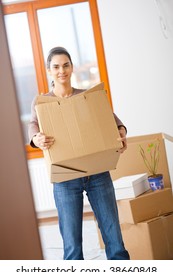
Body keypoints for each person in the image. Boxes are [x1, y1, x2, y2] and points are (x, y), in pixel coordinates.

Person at [28, 46, 130, 260]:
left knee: (115, 239)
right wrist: (36, 138)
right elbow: (33, 126)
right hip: (65, 178)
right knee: (72, 246)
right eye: (56, 67)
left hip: (98, 173)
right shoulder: (41, 103)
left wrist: (121, 132)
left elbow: (112, 120)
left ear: (72, 67)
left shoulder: (87, 96)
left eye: (66, 65)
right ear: (49, 70)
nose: (61, 71)